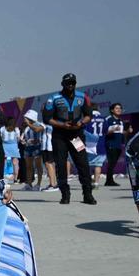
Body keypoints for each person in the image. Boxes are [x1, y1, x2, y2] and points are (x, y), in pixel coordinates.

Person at [41, 73, 95, 205]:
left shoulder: (82, 97)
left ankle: (87, 194)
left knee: (83, 163)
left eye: (73, 83)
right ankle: (65, 194)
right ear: (62, 84)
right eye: (68, 83)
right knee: (60, 164)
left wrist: (81, 123)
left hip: (76, 136)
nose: (70, 85)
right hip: (60, 137)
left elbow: (89, 115)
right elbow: (47, 119)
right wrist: (62, 125)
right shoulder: (54, 98)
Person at [104, 102, 130, 186]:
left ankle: (109, 180)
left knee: (114, 163)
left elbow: (122, 133)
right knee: (111, 162)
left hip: (118, 145)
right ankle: (109, 181)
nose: (119, 110)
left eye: (120, 108)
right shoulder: (108, 119)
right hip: (110, 144)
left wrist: (127, 132)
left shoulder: (121, 121)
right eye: (117, 108)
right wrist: (113, 129)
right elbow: (104, 131)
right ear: (112, 110)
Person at [19, 110, 46, 190]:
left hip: (37, 147)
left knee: (38, 166)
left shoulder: (39, 124)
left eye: (26, 117)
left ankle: (38, 184)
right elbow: (26, 137)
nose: (24, 119)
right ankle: (29, 184)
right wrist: (24, 141)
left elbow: (37, 130)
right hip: (28, 147)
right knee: (28, 166)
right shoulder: (26, 127)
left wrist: (28, 124)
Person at [0, 116, 21, 180]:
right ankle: (15, 178)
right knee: (15, 162)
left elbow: (1, 137)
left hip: (4, 146)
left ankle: (2, 176)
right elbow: (18, 138)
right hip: (14, 146)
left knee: (4, 162)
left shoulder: (2, 128)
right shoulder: (16, 129)